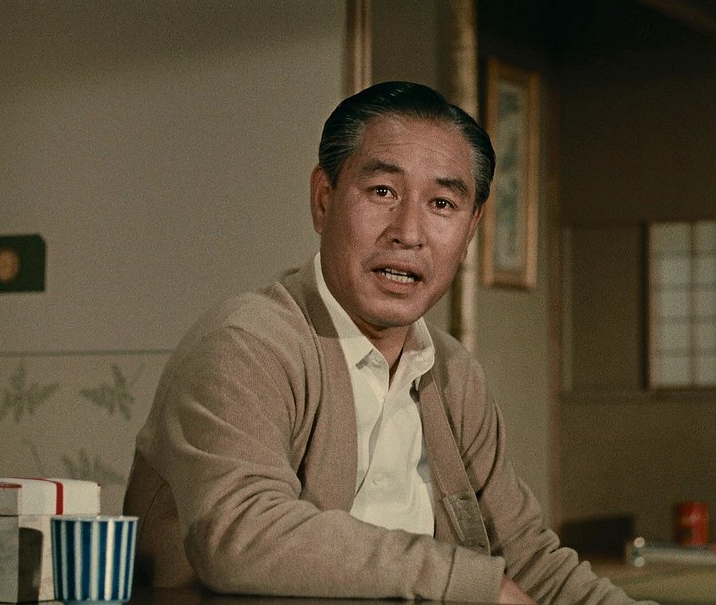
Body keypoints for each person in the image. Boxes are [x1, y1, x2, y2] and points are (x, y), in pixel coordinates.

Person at [123, 81, 652, 605]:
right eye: (382, 192)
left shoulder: (453, 374)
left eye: (441, 203)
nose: (408, 232)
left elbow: (530, 562)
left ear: (470, 230)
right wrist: (466, 581)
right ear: (323, 200)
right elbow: (240, 533)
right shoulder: (247, 344)